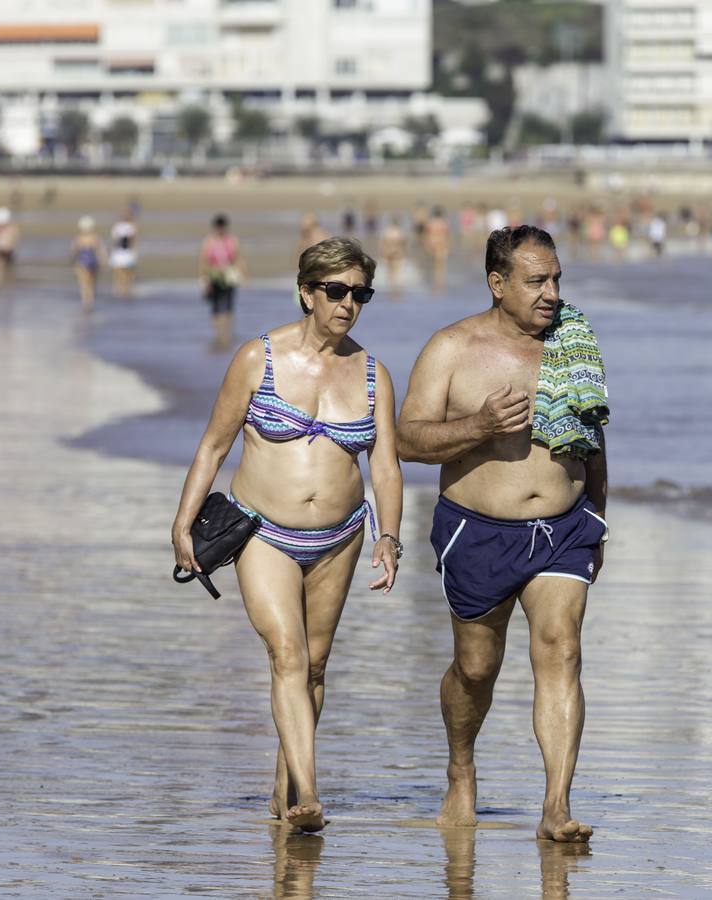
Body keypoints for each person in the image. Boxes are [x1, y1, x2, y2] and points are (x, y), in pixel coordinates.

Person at [171, 236, 403, 833]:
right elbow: (214, 444)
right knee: (288, 653)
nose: (348, 303)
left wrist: (390, 537)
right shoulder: (259, 358)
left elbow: (385, 466)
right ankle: (309, 791)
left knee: (317, 664)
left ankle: (284, 795)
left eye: (360, 293)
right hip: (264, 532)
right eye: (336, 291)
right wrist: (183, 521)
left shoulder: (374, 373)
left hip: (342, 535)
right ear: (307, 292)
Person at [395, 225, 609, 843]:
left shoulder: (574, 340)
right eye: (536, 281)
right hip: (479, 532)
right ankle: (461, 767)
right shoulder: (453, 347)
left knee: (561, 648)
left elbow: (594, 432)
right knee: (476, 667)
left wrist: (598, 516)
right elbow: (409, 439)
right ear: (498, 283)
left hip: (565, 530)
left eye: (557, 279)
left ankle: (556, 806)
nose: (551, 293)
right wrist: (480, 426)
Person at [200, 214, 244, 351]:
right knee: (216, 307)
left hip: (229, 276)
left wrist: (242, 273)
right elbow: (203, 261)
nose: (220, 230)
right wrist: (204, 279)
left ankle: (227, 334)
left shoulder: (232, 240)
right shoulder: (209, 242)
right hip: (214, 277)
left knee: (229, 305)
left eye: (222, 227)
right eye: (218, 227)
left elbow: (238, 257)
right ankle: (219, 334)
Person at [71, 216, 102, 312]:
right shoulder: (95, 237)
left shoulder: (78, 238)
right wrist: (102, 261)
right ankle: (90, 301)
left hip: (82, 261)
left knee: (84, 283)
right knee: (91, 283)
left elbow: (74, 252)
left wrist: (73, 263)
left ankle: (86, 302)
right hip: (92, 261)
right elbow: (100, 251)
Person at [109, 210, 139, 299]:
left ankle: (127, 288)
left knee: (128, 271)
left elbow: (134, 240)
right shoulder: (117, 227)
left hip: (128, 251)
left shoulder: (132, 227)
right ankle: (119, 287)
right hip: (118, 251)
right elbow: (113, 240)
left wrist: (135, 252)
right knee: (118, 270)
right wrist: (111, 250)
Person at [0, 206, 19, 289]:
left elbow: (14, 239)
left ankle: (7, 283)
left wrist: (11, 246)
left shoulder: (12, 228)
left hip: (7, 251)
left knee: (8, 268)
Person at [424, 206, 451, 292]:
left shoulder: (431, 222)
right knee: (441, 264)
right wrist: (449, 245)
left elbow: (427, 235)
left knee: (435, 264)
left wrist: (426, 245)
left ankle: (436, 281)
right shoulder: (444, 223)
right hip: (442, 243)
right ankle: (440, 281)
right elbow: (447, 235)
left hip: (433, 242)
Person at [380, 215, 406, 298]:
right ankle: (394, 287)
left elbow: (384, 242)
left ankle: (392, 287)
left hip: (390, 251)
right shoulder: (399, 231)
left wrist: (384, 250)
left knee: (391, 270)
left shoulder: (388, 231)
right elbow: (402, 243)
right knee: (395, 270)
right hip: (395, 251)